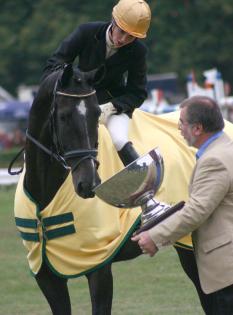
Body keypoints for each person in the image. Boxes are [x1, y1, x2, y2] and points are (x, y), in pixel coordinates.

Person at [41, 0, 172, 224]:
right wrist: (71, 81)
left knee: (120, 139)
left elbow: (138, 92)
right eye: (122, 32)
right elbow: (54, 64)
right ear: (114, 22)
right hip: (78, 98)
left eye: (131, 37)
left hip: (112, 103)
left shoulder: (138, 50)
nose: (123, 40)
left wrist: (111, 108)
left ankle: (147, 202)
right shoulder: (86, 32)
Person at [132, 95, 233, 314]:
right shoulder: (225, 149)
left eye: (182, 123)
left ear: (197, 128)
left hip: (227, 273)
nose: (178, 128)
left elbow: (196, 211)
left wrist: (154, 236)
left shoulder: (214, 160)